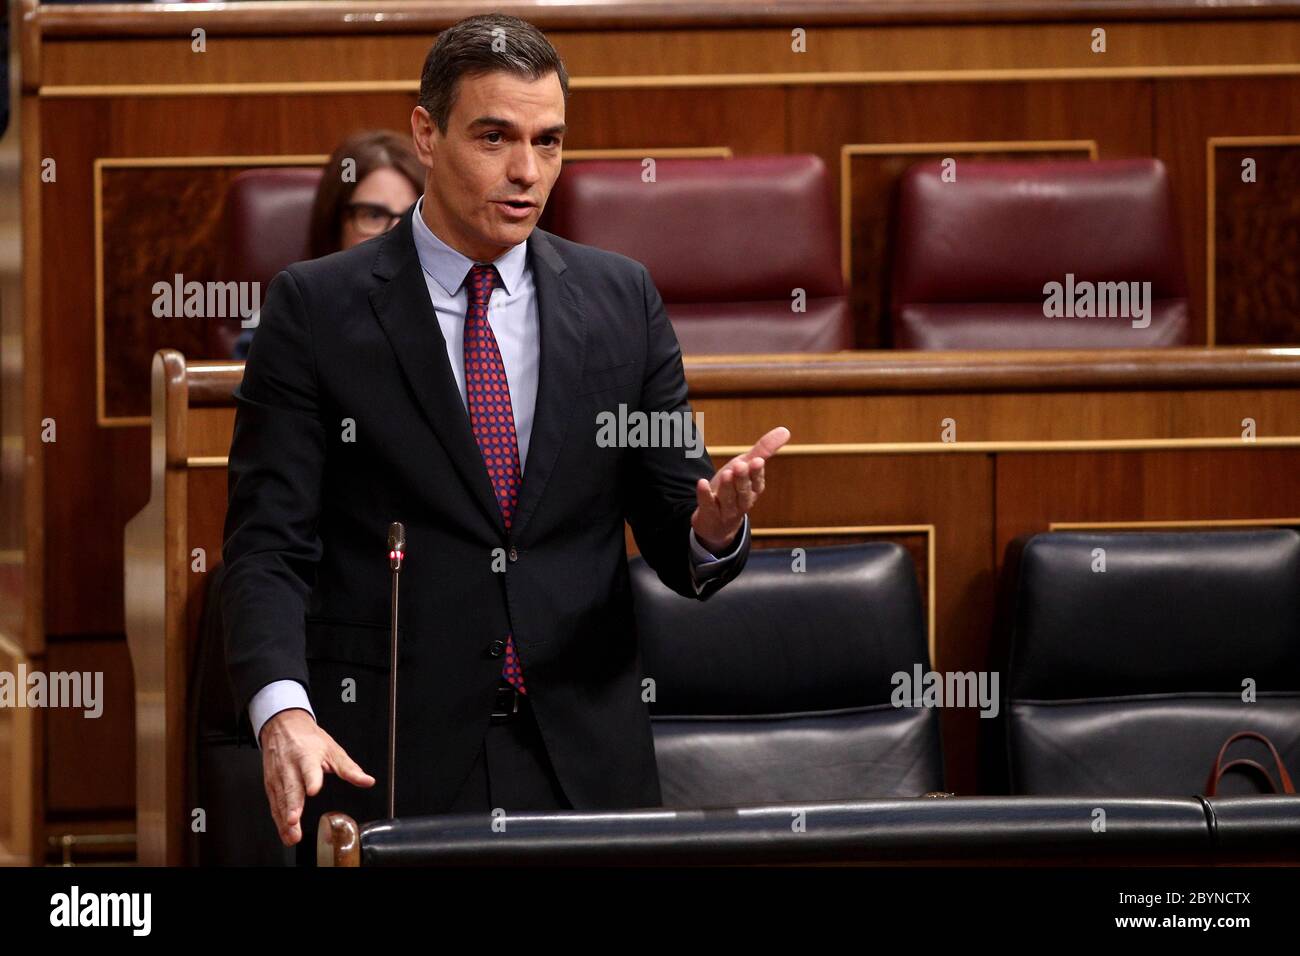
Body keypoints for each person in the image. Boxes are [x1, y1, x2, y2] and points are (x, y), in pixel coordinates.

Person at [220, 12, 790, 864]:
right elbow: (268, 546)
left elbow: (680, 525)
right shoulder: (316, 309)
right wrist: (283, 710)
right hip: (390, 756)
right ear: (427, 132)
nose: (526, 171)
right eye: (495, 137)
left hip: (585, 764)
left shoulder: (622, 301)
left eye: (549, 142)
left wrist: (714, 529)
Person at [230, 130, 423, 358]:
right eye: (373, 215)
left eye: (412, 216)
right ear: (334, 223)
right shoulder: (289, 313)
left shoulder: (455, 310)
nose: (394, 233)